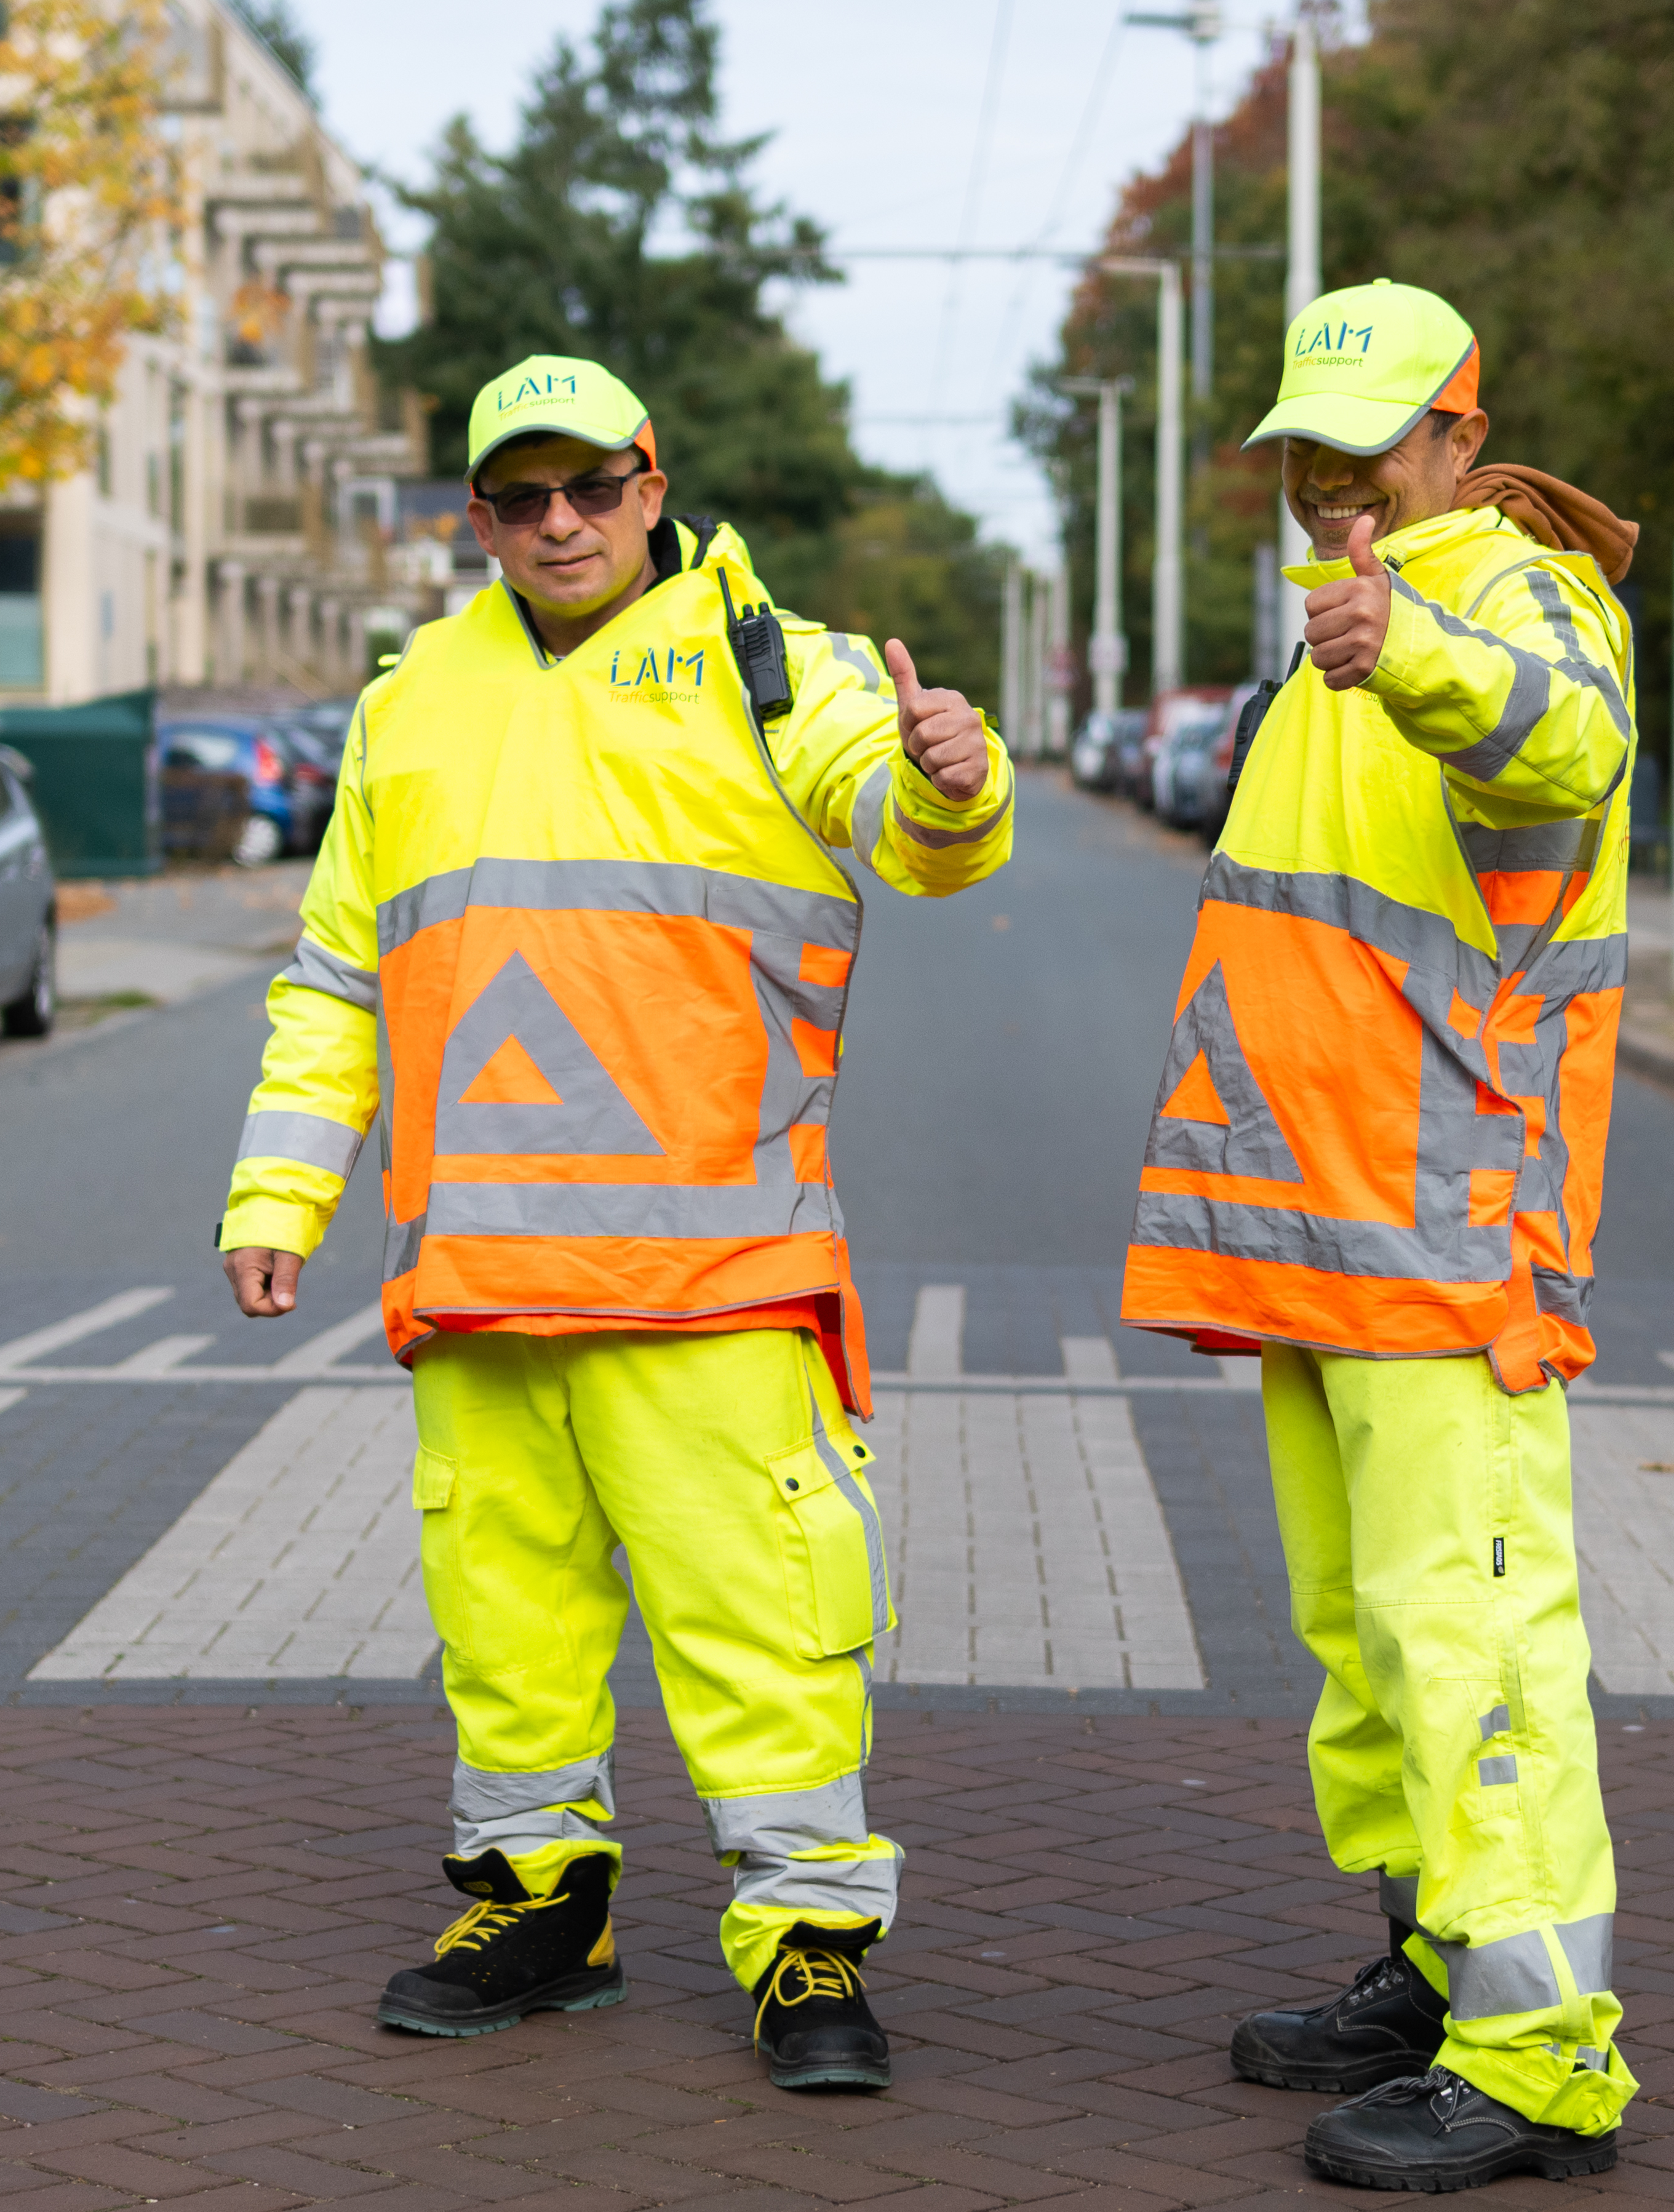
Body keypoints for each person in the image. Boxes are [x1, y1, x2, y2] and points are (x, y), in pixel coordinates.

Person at [217, 353, 1014, 2093]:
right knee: (504, 1621)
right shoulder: (411, 696)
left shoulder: (774, 666)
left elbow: (909, 827)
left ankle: (806, 1942)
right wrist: (282, 1185)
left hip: (716, 1267)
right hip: (481, 1270)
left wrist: (954, 780)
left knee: (761, 1623)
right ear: (478, 514)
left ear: (655, 486)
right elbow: (339, 971)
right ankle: (535, 1905)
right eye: (521, 496)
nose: (558, 522)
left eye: (591, 487)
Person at [1120, 281, 1640, 2189]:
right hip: (1332, 1236)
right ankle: (1439, 1966)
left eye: (1365, 456)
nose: (1333, 494)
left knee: (1474, 1637)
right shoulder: (1350, 618)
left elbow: (1562, 744)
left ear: (1453, 432)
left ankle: (1538, 2057)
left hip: (1448, 1236)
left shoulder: (1509, 588)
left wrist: (1413, 647)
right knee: (1370, 1644)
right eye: (1305, 463)